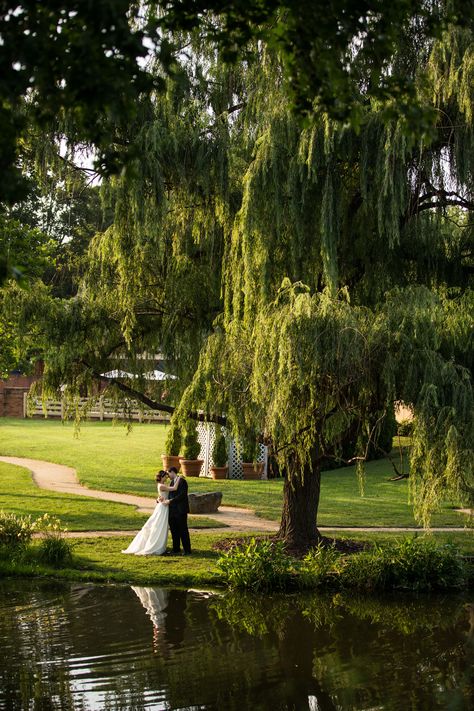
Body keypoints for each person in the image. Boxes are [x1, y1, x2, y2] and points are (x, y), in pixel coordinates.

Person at [122, 470, 179, 555]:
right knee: (158, 525)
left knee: (161, 526)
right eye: (165, 477)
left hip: (164, 506)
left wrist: (158, 499)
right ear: (161, 477)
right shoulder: (161, 486)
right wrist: (179, 478)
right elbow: (174, 488)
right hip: (162, 507)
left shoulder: (161, 485)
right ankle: (154, 545)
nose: (166, 478)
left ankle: (160, 544)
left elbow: (162, 496)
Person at [161, 466, 191, 555]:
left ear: (172, 472)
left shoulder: (182, 481)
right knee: (174, 530)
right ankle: (176, 549)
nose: (167, 475)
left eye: (168, 473)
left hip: (180, 510)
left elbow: (182, 495)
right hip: (172, 511)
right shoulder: (172, 483)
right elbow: (169, 494)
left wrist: (170, 501)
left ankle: (187, 550)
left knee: (183, 530)